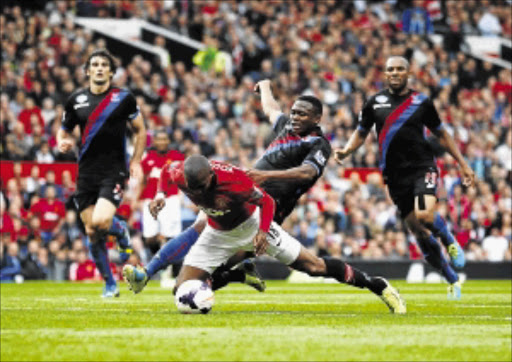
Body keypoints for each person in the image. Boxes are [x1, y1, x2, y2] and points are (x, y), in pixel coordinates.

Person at [125, 155, 406, 314]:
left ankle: (377, 285)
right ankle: (239, 273)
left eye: (202, 187)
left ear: (211, 176)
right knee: (180, 292)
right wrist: (161, 193)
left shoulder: (235, 181)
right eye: (193, 188)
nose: (197, 193)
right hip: (216, 232)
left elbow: (267, 202)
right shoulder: (181, 174)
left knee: (314, 266)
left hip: (253, 226)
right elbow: (164, 169)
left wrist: (261, 232)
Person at [124, 82, 334, 293]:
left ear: (315, 119)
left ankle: (231, 273)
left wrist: (267, 175)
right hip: (248, 192)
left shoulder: (317, 144)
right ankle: (157, 273)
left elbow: (307, 172)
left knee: (234, 250)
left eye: (302, 114)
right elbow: (271, 109)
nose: (295, 117)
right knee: (206, 239)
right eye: (294, 113)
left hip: (270, 201)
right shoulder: (286, 127)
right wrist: (266, 87)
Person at [334, 56, 476, 300]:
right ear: (385, 73)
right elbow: (361, 132)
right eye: (390, 69)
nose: (395, 73)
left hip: (423, 167)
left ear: (408, 72)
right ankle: (451, 278)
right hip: (394, 175)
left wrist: (462, 164)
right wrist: (347, 150)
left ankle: (448, 238)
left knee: (425, 215)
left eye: (400, 69)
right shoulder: (373, 103)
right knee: (419, 232)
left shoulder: (421, 101)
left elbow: (442, 135)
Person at [57, 49, 146, 298]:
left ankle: (120, 230)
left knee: (100, 222)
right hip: (85, 172)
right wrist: (61, 142)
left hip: (114, 170)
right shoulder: (75, 100)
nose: (98, 68)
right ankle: (109, 283)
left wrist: (136, 160)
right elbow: (63, 130)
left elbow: (140, 130)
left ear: (110, 71)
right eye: (94, 64)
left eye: (103, 65)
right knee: (91, 231)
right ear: (87, 70)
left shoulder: (123, 98)